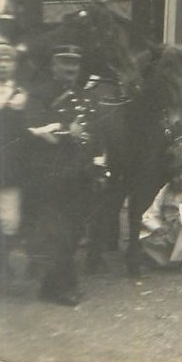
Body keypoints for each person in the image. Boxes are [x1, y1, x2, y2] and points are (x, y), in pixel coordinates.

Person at [24, 44, 109, 306]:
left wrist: (99, 168)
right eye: (64, 63)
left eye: (74, 64)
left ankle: (50, 287)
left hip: (80, 176)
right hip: (51, 176)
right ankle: (64, 286)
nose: (71, 68)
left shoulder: (85, 97)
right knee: (60, 233)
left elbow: (96, 137)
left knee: (72, 232)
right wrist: (64, 127)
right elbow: (32, 127)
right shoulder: (39, 95)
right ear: (53, 66)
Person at [0, 41, 28, 287]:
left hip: (11, 169)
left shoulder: (22, 95)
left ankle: (2, 269)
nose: (2, 65)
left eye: (7, 60)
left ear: (14, 65)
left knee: (9, 219)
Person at [139, 160, 182, 271]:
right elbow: (151, 213)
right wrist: (157, 227)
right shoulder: (165, 190)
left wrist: (179, 207)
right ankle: (168, 261)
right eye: (176, 176)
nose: (181, 179)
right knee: (145, 239)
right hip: (169, 227)